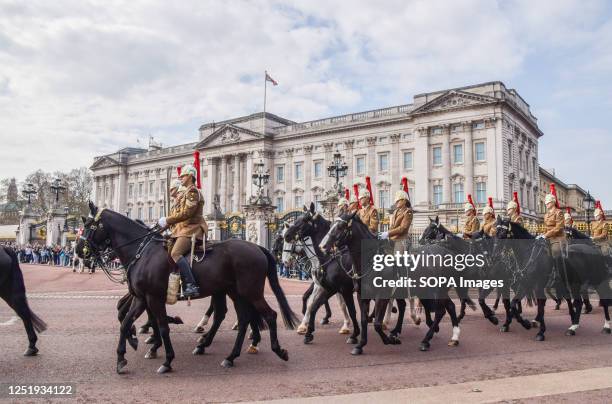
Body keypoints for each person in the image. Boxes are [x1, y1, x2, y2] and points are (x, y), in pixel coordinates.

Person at [158, 165, 207, 298]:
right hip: (183, 229)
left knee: (175, 253)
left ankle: (191, 284)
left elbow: (187, 213)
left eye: (183, 176)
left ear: (190, 176)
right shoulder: (186, 193)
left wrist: (167, 220)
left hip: (192, 229)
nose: (181, 178)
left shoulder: (193, 192)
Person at [537, 191, 566, 290]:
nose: (546, 204)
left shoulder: (559, 212)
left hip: (557, 238)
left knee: (555, 251)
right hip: (548, 238)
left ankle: (558, 274)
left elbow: (559, 228)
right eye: (546, 203)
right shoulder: (546, 215)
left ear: (553, 202)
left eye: (548, 202)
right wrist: (541, 235)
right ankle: (545, 273)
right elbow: (546, 228)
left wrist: (546, 235)